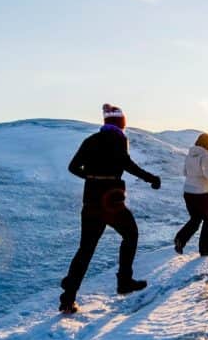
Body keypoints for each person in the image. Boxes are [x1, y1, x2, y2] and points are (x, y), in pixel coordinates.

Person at [59, 103, 161, 314]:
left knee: (85, 249)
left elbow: (72, 167)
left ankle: (68, 298)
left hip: (90, 202)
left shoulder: (91, 140)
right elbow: (128, 165)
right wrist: (151, 179)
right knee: (131, 234)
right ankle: (124, 281)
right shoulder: (118, 140)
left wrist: (92, 177)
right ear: (120, 123)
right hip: (111, 201)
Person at [174, 132, 208, 257]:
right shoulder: (205, 155)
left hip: (188, 192)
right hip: (201, 194)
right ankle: (205, 249)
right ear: (207, 144)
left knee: (195, 219)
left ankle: (180, 239)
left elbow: (184, 172)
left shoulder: (189, 155)